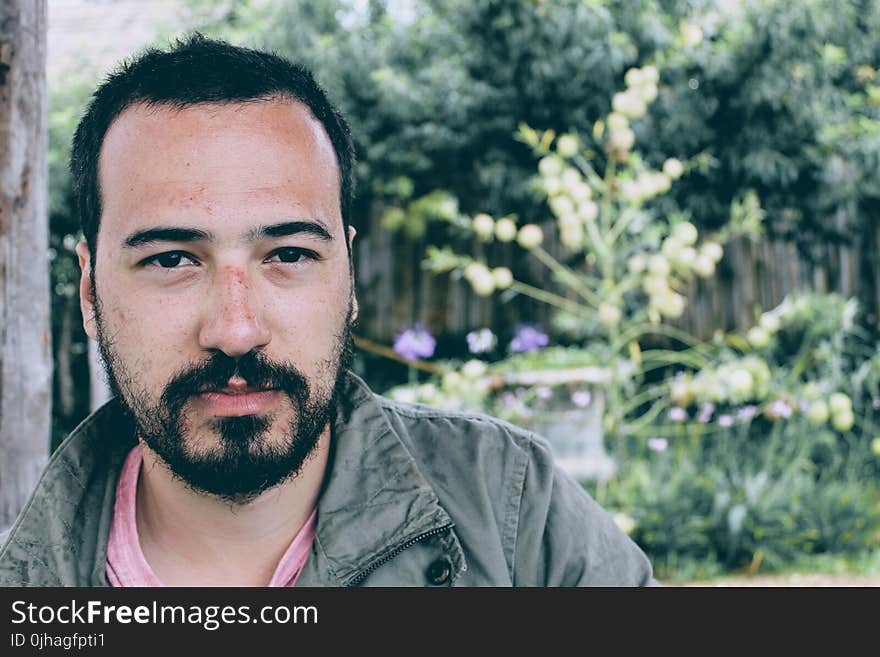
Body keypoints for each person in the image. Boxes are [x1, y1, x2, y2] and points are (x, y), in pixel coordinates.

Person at [0, 34, 655, 587]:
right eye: (173, 260)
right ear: (89, 294)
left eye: (287, 253)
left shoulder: (515, 521)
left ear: (348, 275)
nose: (235, 329)